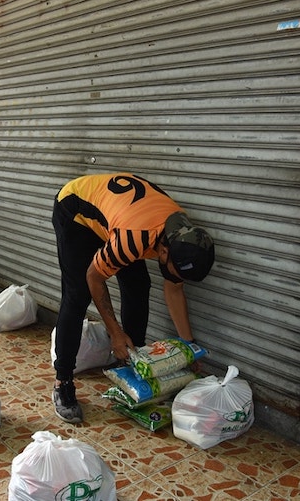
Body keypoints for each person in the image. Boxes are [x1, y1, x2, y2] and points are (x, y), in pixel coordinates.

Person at [51, 173, 215, 423]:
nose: (175, 277)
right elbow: (94, 278)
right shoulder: (134, 239)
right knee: (77, 295)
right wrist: (115, 333)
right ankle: (63, 381)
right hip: (75, 210)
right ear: (162, 251)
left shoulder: (182, 236)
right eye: (173, 270)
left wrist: (188, 347)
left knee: (138, 285)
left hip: (121, 217)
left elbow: (174, 289)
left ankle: (130, 362)